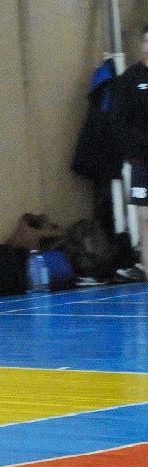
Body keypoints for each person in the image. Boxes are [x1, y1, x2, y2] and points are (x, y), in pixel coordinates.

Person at [110, 24, 148, 281]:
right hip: (142, 160)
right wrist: (136, 145)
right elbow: (118, 121)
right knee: (145, 219)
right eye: (146, 41)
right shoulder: (131, 78)